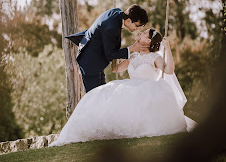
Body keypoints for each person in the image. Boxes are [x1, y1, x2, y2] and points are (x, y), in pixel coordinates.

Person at [50, 29, 197, 147]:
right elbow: (116, 69)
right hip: (131, 86)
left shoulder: (155, 57)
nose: (140, 34)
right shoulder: (132, 57)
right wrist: (112, 52)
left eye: (144, 33)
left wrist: (168, 49)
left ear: (149, 41)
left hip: (148, 90)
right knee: (98, 95)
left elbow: (169, 70)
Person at [66, 5, 150, 93]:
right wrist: (132, 48)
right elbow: (110, 55)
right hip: (90, 63)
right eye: (138, 25)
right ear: (129, 21)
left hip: (97, 59)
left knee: (103, 94)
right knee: (95, 97)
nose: (139, 29)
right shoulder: (111, 27)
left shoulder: (117, 12)